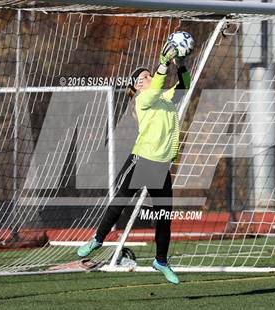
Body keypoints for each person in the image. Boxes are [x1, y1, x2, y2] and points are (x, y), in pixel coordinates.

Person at [77, 41, 191, 284]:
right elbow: (157, 85)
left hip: (161, 166)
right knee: (120, 201)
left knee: (163, 217)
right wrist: (162, 64)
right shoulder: (143, 100)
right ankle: (98, 239)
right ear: (139, 85)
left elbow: (184, 86)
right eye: (146, 76)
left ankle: (160, 261)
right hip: (142, 160)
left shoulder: (166, 99)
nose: (151, 76)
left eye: (151, 74)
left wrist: (179, 65)